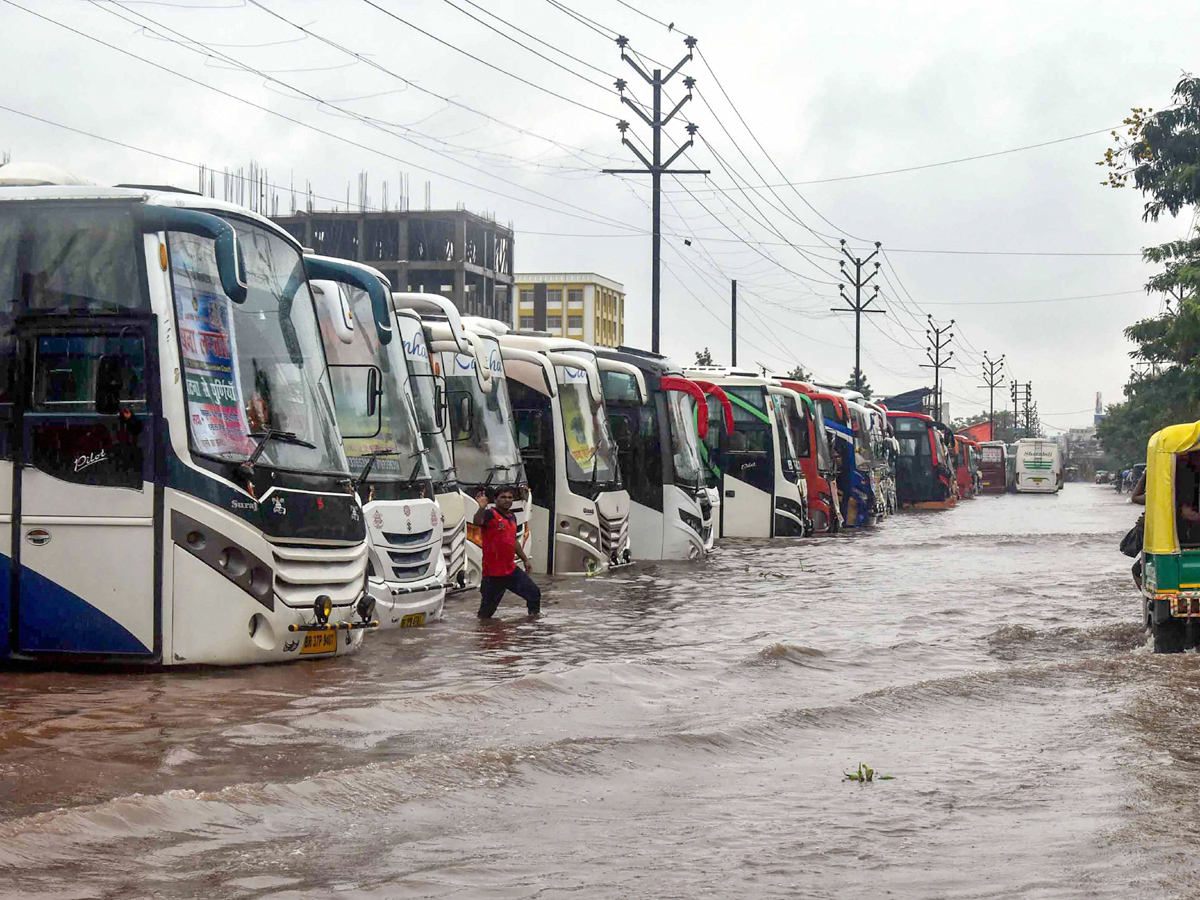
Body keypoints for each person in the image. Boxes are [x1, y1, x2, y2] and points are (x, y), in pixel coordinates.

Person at [474, 486, 541, 619]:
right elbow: (477, 522)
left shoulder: (512, 517)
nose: (507, 500)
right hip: (493, 574)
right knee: (486, 614)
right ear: (496, 499)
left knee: (534, 594)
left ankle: (533, 625)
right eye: (503, 497)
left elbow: (514, 541)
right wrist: (481, 507)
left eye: (510, 497)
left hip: (510, 570)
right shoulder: (489, 514)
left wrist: (525, 559)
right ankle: (484, 635)